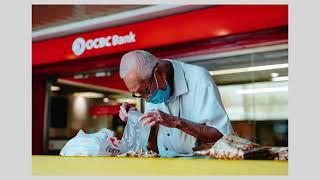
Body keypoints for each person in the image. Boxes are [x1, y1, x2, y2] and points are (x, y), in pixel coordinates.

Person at [118, 50, 233, 157]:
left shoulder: (199, 79)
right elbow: (152, 131)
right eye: (137, 94)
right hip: (166, 163)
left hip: (200, 164)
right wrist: (135, 117)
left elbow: (221, 135)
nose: (146, 99)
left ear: (160, 74)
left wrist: (176, 122)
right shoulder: (149, 84)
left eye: (145, 91)